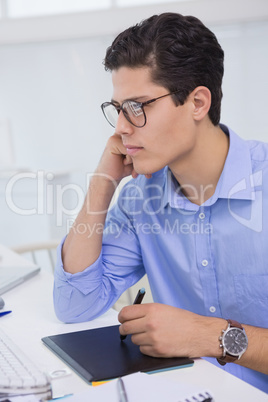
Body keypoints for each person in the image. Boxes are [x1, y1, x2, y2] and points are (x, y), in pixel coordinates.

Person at [53, 12, 268, 393]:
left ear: (198, 102)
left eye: (137, 107)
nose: (121, 127)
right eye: (118, 109)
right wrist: (104, 181)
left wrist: (212, 336)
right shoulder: (140, 200)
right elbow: (74, 304)